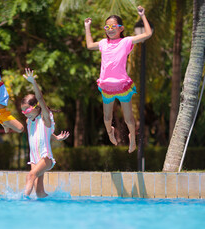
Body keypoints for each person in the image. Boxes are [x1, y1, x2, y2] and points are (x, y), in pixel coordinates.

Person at [84, 6, 152, 153]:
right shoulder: (103, 43)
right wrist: (87, 27)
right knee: (107, 118)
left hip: (122, 85)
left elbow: (147, 34)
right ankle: (110, 132)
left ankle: (132, 137)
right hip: (106, 86)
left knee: (128, 119)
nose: (110, 29)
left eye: (113, 26)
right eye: (107, 27)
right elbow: (89, 45)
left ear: (121, 28)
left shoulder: (126, 41)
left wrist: (142, 16)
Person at [21, 68, 70, 198]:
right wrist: (55, 137)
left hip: (45, 157)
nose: (24, 113)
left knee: (30, 175)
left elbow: (40, 98)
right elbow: (41, 134)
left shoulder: (45, 118)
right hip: (34, 158)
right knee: (39, 193)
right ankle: (55, 203)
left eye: (26, 110)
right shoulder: (29, 121)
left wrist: (33, 82)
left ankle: (21, 203)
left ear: (36, 107)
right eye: (22, 111)